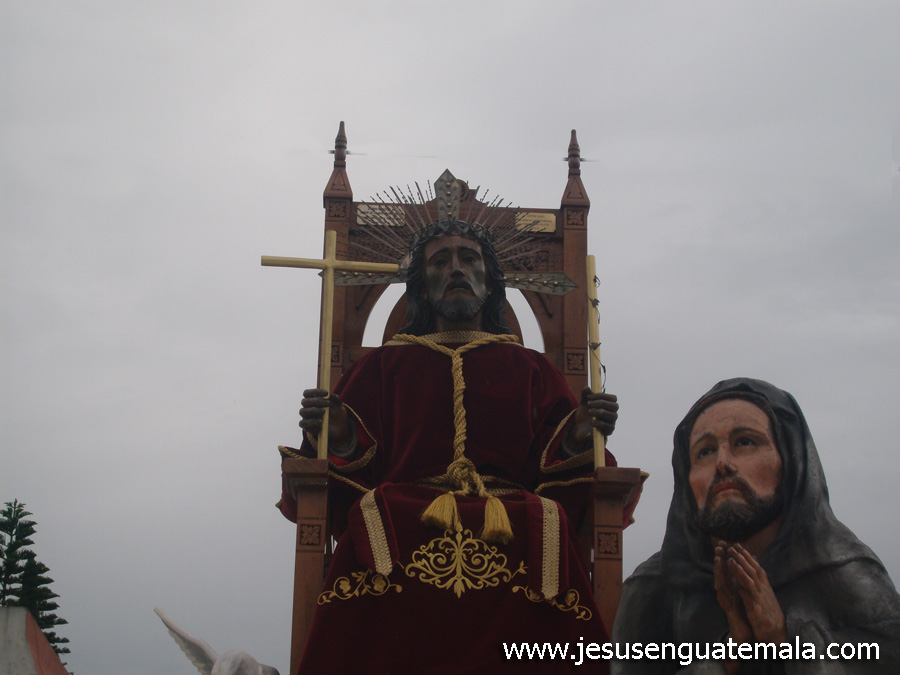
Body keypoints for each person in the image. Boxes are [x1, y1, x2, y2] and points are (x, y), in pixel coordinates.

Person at [279, 218, 632, 673]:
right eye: (440, 261)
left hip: (510, 519)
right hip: (404, 520)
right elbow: (346, 476)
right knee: (378, 517)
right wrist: (340, 435)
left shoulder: (531, 369)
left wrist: (579, 433)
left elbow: (560, 469)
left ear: (490, 280)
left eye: (469, 258)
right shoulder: (381, 367)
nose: (457, 269)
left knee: (546, 522)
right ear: (420, 286)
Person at [611, 378, 900, 674]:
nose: (722, 462)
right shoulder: (654, 587)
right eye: (705, 451)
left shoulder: (842, 569)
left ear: (790, 460)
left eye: (745, 442)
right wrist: (728, 656)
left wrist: (785, 637)